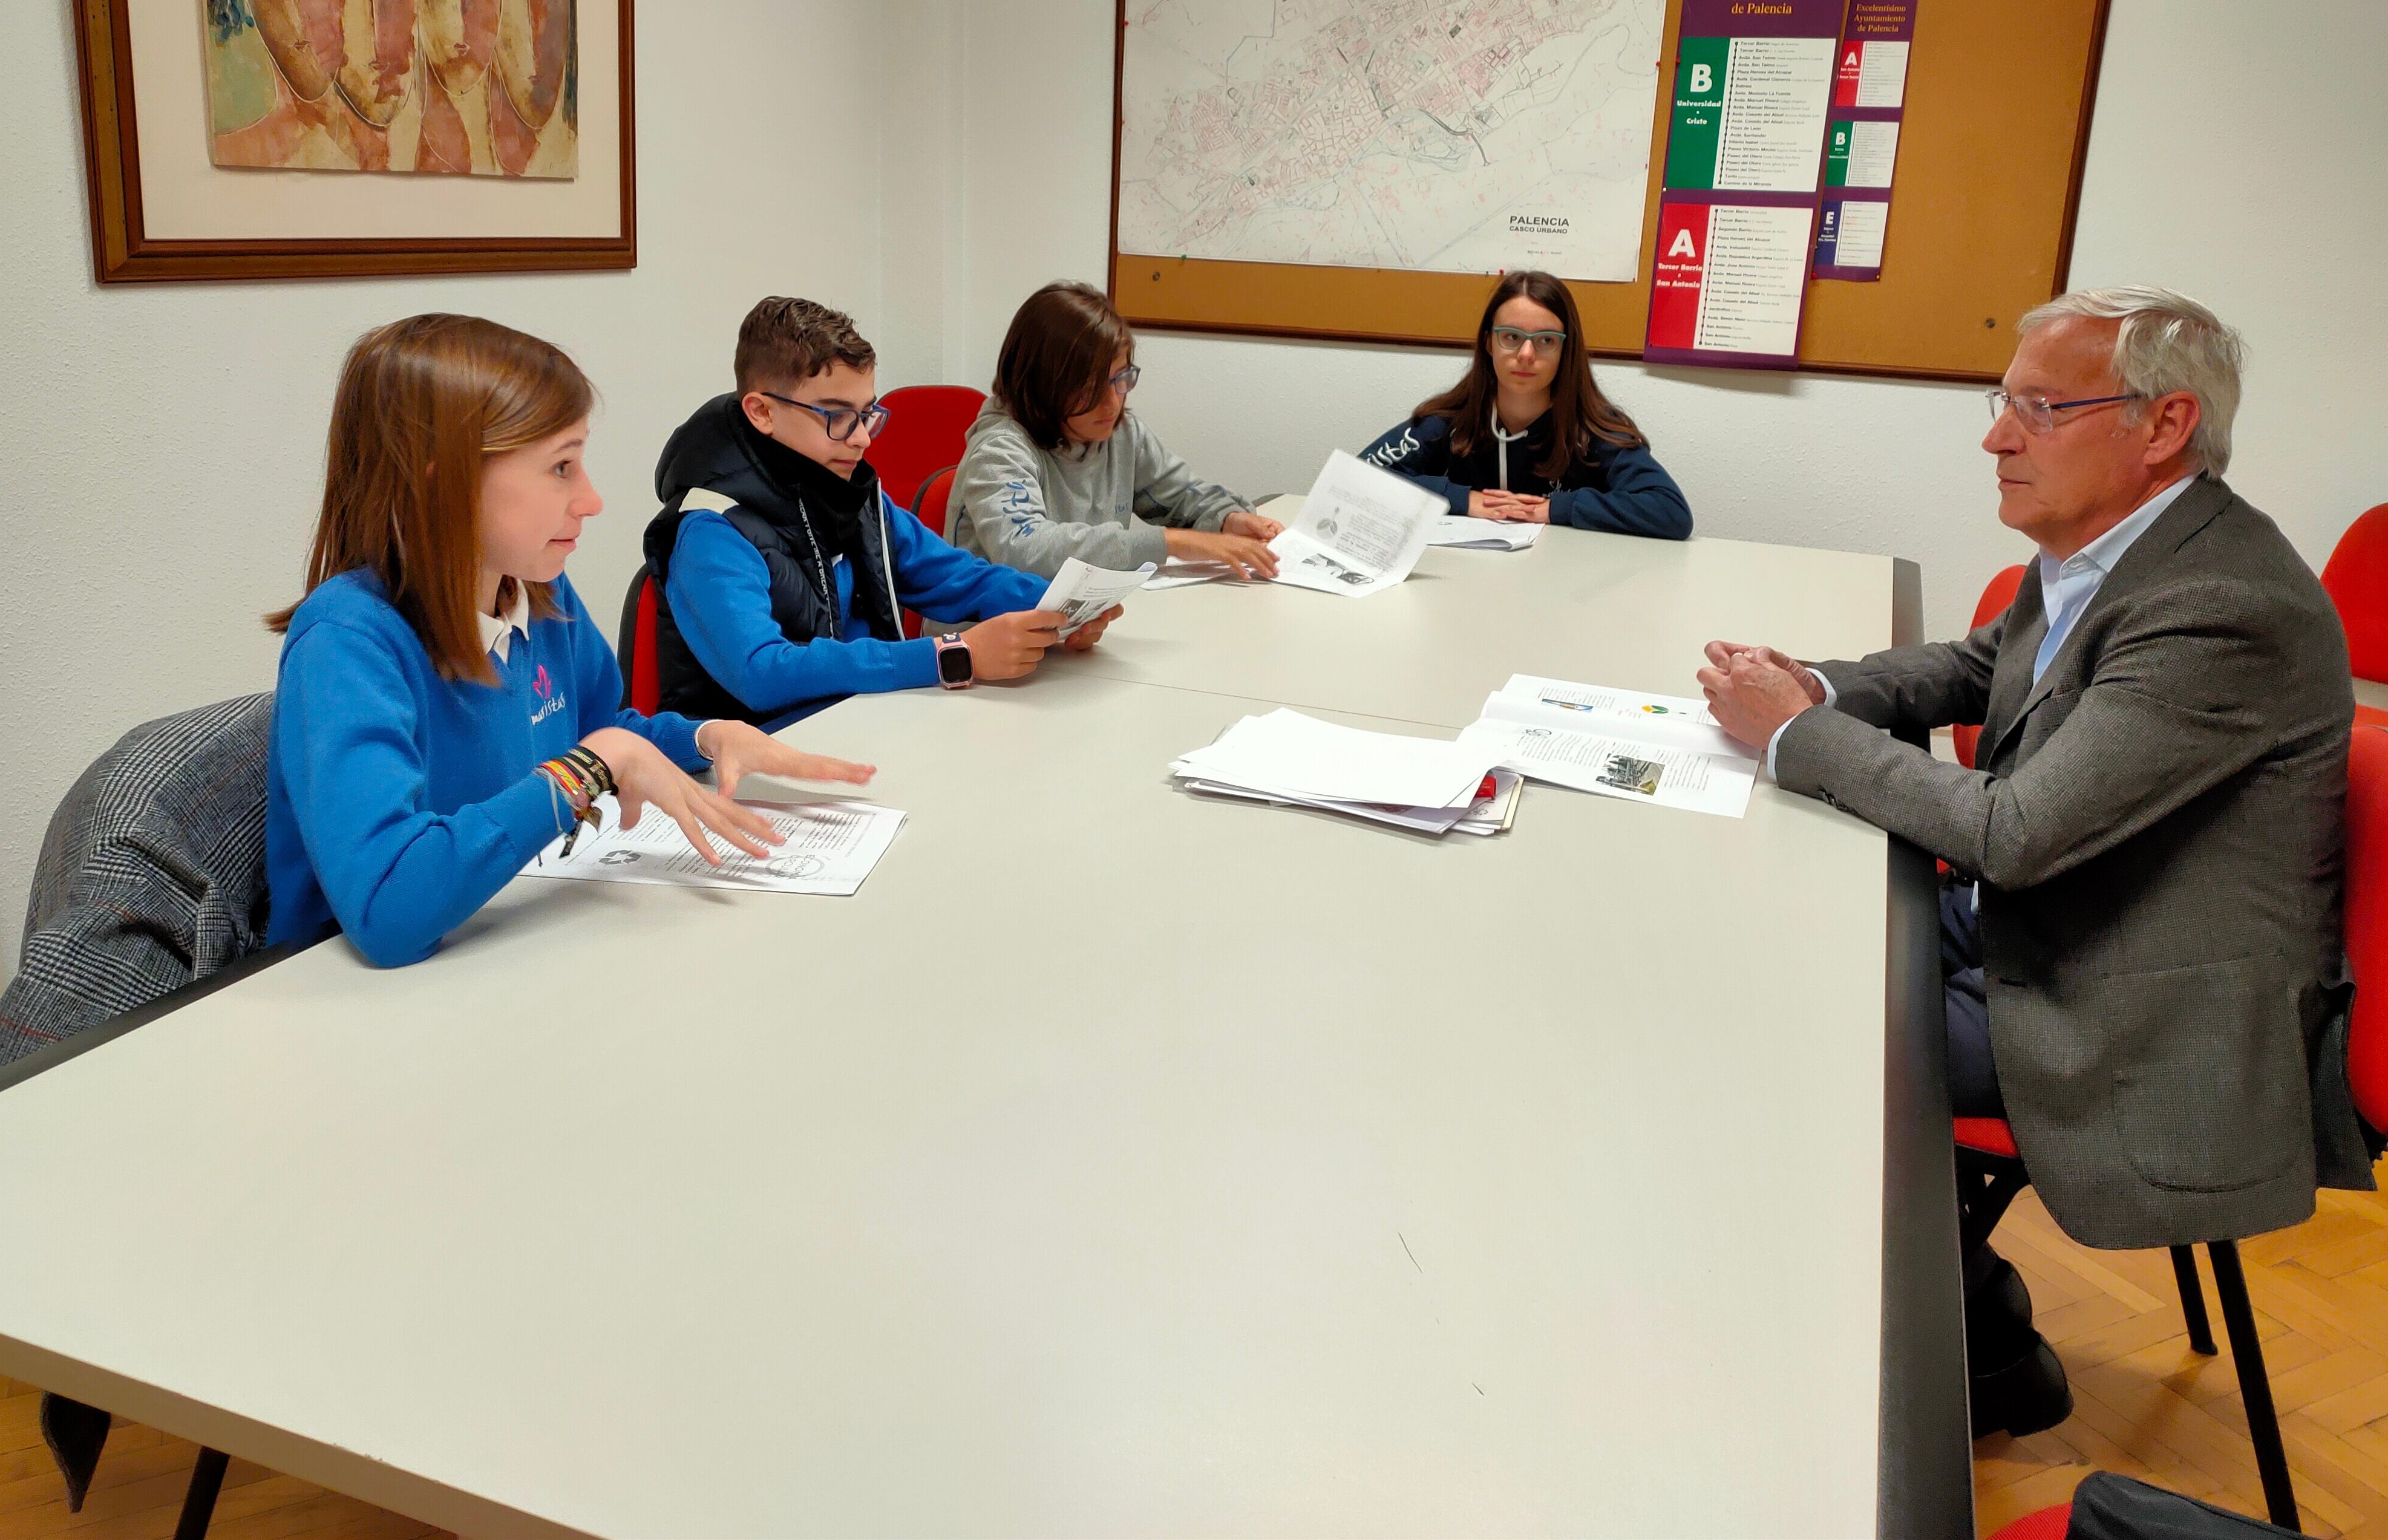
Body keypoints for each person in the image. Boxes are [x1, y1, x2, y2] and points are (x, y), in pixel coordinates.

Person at [1695, 286, 2368, 1438]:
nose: (1998, 437)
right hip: (2067, 924)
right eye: (2003, 402)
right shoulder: (2129, 548)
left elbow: (2011, 829)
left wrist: (1798, 737)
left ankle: (1955, 1346)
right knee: (1763, 950)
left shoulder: (2219, 604)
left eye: (2041, 409)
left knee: (1776, 1027)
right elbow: (1975, 663)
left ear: (2163, 427)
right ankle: (1965, 1311)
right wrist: (1812, 685)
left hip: (2144, 1014)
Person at [266, 315, 874, 969]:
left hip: (507, 949)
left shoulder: (540, 592)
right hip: (355, 1007)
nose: (591, 500)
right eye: (561, 467)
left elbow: (604, 729)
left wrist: (704, 738)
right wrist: (589, 767)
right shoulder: (347, 644)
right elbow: (387, 912)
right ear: (441, 483)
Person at [647, 296, 1116, 723]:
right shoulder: (710, 531)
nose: (862, 438)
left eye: (867, 413)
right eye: (836, 416)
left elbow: (955, 577)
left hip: (865, 730)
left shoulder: (852, 494)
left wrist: (1063, 603)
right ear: (762, 412)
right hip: (752, 771)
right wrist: (952, 655)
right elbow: (763, 673)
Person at [946, 281, 1284, 580]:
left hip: (1075, 624)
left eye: (1121, 379)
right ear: (1042, 385)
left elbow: (1180, 495)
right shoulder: (999, 449)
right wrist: (1170, 542)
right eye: (1089, 388)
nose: (1112, 403)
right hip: (985, 638)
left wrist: (1227, 518)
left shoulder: (1120, 434)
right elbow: (1026, 549)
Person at [1359, 270, 1692, 537]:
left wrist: (1554, 509)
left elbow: (1669, 511)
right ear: (1489, 342)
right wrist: (1461, 499)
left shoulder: (1592, 427)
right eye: (1511, 337)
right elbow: (1359, 477)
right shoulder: (1452, 420)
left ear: (1566, 351)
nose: (1526, 355)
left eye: (1546, 341)